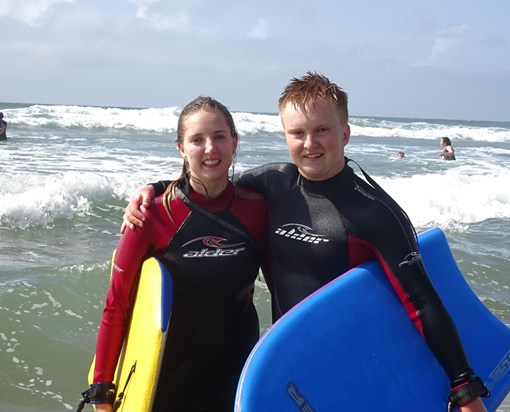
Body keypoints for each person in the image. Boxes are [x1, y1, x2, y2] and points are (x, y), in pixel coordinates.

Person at [123, 73, 489, 411]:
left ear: (345, 133)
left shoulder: (376, 213)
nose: (309, 144)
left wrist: (464, 387)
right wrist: (155, 190)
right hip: (289, 369)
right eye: (297, 132)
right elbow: (209, 183)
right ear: (286, 136)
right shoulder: (273, 184)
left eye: (322, 130)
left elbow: (422, 302)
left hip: (352, 372)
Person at [80, 96, 269, 412]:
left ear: (234, 142)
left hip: (235, 378)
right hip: (166, 379)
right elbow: (117, 305)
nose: (210, 148)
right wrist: (102, 391)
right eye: (197, 139)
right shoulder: (149, 216)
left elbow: (282, 285)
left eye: (219, 137)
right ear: (181, 147)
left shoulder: (258, 209)